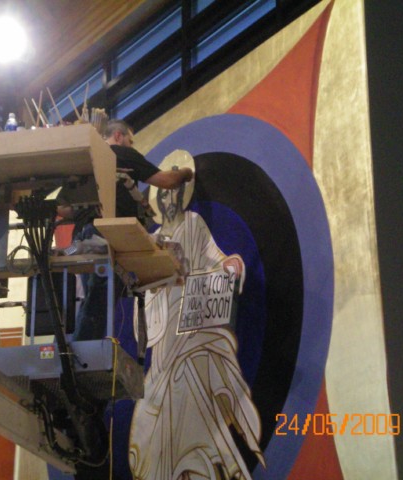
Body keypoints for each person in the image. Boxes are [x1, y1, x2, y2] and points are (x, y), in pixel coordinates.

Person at [128, 153, 265, 479]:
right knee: (160, 393)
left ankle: (201, 460)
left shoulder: (193, 224)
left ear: (181, 197)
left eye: (175, 193)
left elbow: (215, 258)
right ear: (159, 200)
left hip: (192, 323)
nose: (170, 199)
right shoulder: (152, 239)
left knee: (189, 385)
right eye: (165, 195)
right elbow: (142, 290)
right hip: (165, 330)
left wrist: (232, 265)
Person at [67, 120, 194, 340]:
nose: (131, 145)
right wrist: (186, 172)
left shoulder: (86, 160)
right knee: (100, 302)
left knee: (93, 300)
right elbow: (167, 181)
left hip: (82, 238)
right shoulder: (120, 153)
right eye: (130, 140)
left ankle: (82, 348)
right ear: (118, 136)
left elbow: (65, 209)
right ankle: (81, 352)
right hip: (107, 234)